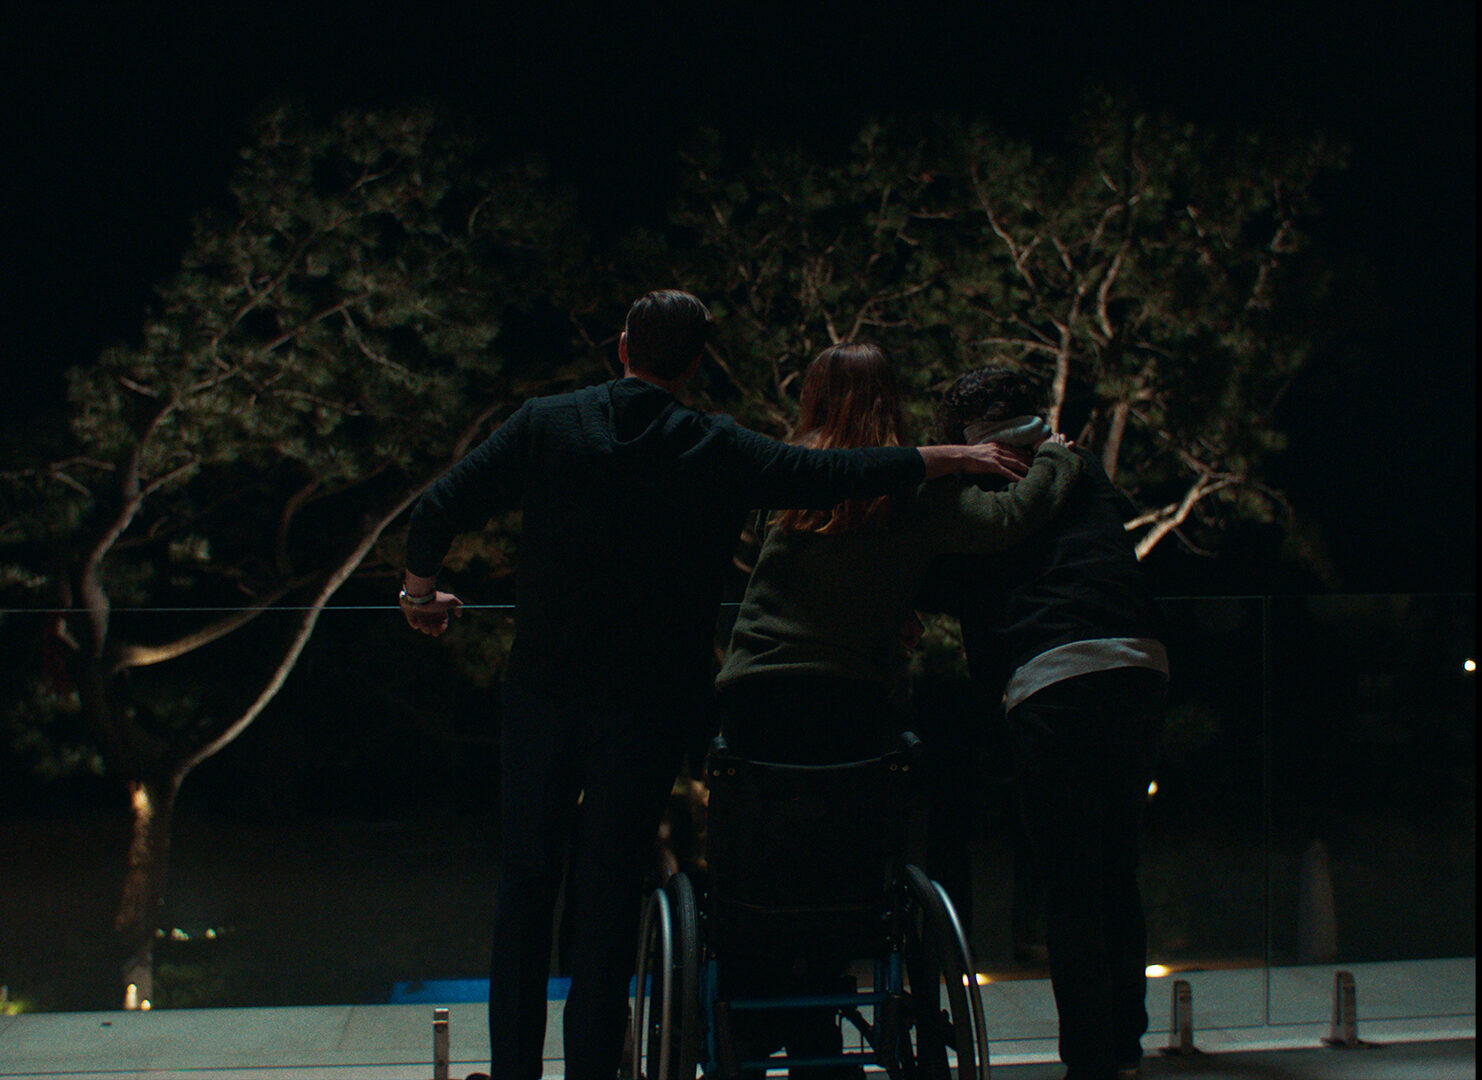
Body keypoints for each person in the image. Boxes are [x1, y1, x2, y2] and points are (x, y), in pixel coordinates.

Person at [398, 292, 1041, 1080]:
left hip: (542, 693)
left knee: (524, 887)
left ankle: (514, 1072)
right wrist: (950, 459)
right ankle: (593, 1070)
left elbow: (438, 507)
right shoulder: (711, 445)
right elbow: (828, 474)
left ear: (624, 346)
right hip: (647, 707)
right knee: (606, 895)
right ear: (696, 361)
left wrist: (420, 597)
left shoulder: (548, 423)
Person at [712, 342, 1082, 1078]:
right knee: (849, 869)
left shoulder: (787, 476)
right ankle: (836, 1025)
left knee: (764, 868)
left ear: (814, 399)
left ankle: (765, 1023)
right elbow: (1013, 516)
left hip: (755, 697)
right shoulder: (919, 491)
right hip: (850, 704)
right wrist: (1060, 456)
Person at [921, 365, 1169, 1080]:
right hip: (1139, 662)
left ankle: (1089, 1056)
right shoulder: (1079, 465)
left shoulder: (980, 487)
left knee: (1068, 881)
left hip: (1051, 677)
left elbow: (956, 576)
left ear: (966, 431)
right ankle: (1125, 1040)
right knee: (1116, 864)